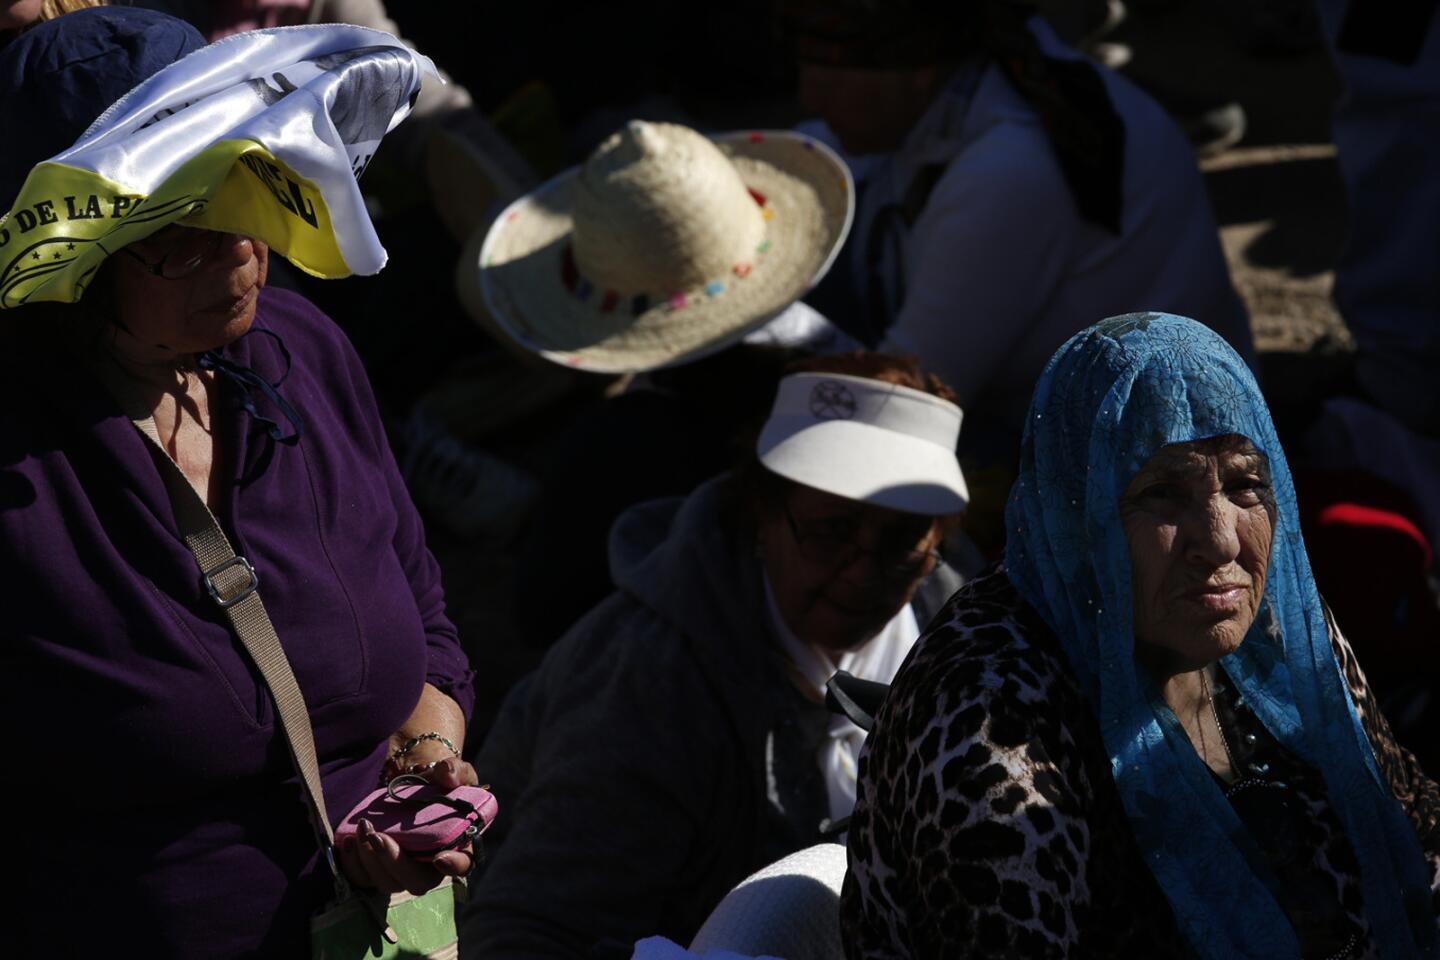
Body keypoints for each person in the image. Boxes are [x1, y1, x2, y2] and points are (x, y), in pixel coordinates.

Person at [0, 9, 477, 956]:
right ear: (77, 263)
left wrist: (427, 762)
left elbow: (424, 624)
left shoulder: (306, 354)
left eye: (246, 196)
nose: (239, 253)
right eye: (178, 230)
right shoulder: (21, 460)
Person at [842, 314, 1440, 956]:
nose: (1220, 540)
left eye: (1245, 485)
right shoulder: (985, 714)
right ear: (1078, 513)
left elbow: (1418, 840)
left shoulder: (1277, 626)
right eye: (1162, 494)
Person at [462, 353, 971, 958]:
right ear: (761, 510)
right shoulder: (650, 683)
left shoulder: (962, 659)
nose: (863, 571)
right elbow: (528, 931)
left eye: (900, 541)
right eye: (834, 530)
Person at [788, 0, 1254, 474]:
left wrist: (781, 339)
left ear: (918, 70)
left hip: (1135, 463)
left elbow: (906, 400)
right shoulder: (998, 68)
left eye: (830, 78)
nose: (811, 97)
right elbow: (813, 153)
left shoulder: (1009, 170)